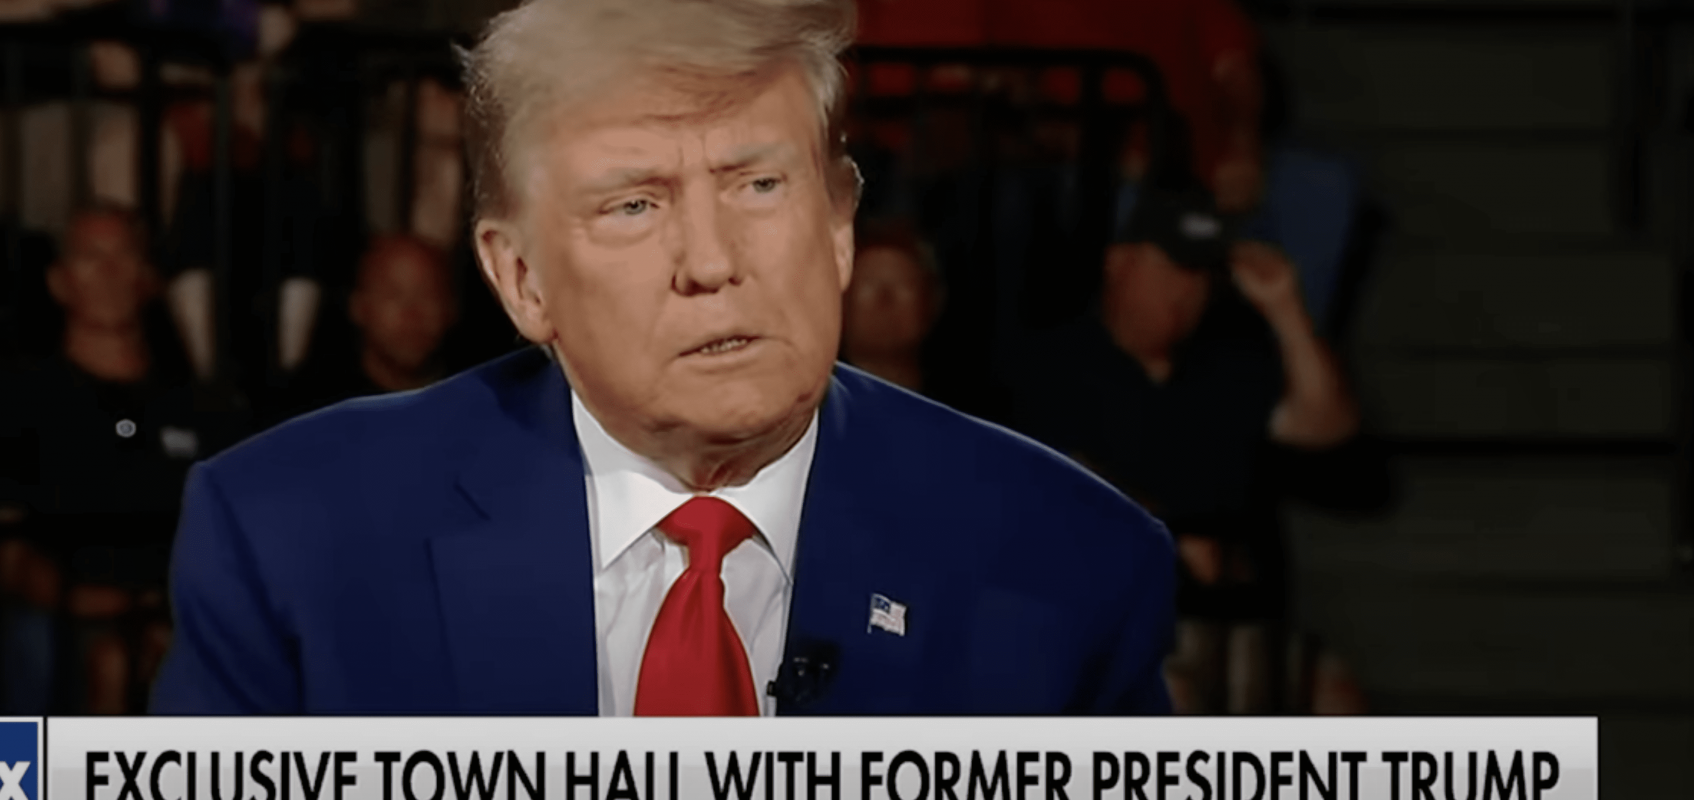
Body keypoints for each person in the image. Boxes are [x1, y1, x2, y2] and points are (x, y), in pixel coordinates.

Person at [151, 0, 1174, 716]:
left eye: (759, 185)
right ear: (521, 279)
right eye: (635, 204)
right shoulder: (292, 539)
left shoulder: (1070, 559)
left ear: (839, 227)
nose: (713, 262)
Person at [1022, 185, 1373, 713]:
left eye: (1199, 275)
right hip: (1108, 626)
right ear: (1120, 263)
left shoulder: (1231, 360)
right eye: (1170, 270)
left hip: (1238, 619)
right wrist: (1169, 541)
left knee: (1336, 698)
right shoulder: (1054, 365)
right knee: (1169, 697)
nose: (1184, 292)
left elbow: (1327, 429)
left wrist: (1285, 309)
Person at [0, 203, 246, 713]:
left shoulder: (199, 406)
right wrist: (89, 603)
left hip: (178, 619)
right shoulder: (22, 400)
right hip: (66, 618)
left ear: (147, 278)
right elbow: (5, 545)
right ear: (60, 282)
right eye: (90, 256)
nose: (107, 273)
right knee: (91, 658)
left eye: (123, 256)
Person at [269, 233, 458, 424]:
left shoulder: (468, 402)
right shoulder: (312, 411)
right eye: (394, 294)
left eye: (428, 294)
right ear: (358, 305)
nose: (412, 314)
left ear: (451, 307)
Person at [840, 221, 1000, 420]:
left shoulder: (971, 411)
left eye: (904, 286)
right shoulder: (812, 410)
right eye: (868, 285)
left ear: (933, 300)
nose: (884, 299)